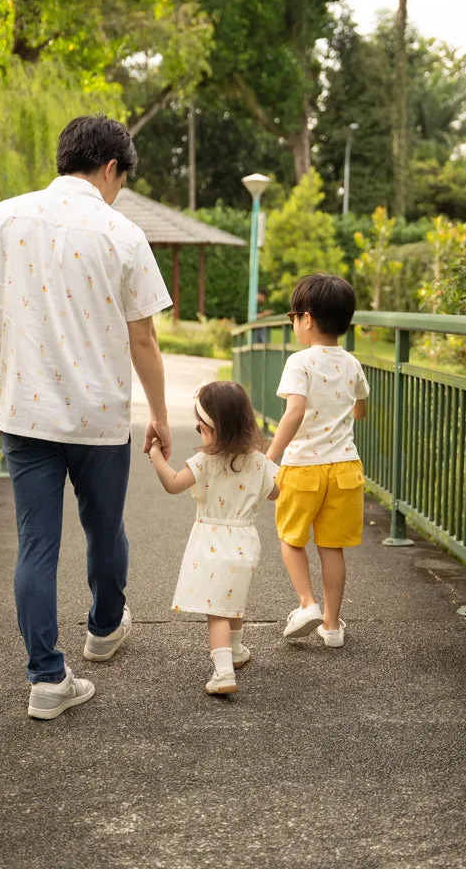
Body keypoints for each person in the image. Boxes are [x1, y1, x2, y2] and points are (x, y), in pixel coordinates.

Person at [0, 115, 172, 720]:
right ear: (111, 169)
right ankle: (104, 631)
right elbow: (145, 341)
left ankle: (47, 679)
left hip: (26, 413)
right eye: (121, 179)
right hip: (101, 416)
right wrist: (157, 413)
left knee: (36, 545)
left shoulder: (7, 215)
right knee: (105, 529)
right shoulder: (123, 233)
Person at [148, 381, 279, 696]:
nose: (199, 432)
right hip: (246, 541)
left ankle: (223, 673)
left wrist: (155, 455)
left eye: (200, 427)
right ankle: (235, 651)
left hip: (212, 542)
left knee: (216, 610)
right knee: (231, 598)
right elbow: (275, 492)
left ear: (213, 428)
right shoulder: (259, 460)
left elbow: (173, 484)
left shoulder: (205, 461)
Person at [266, 273, 368, 649]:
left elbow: (294, 412)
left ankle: (307, 604)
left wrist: (270, 459)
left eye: (293, 316)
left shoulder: (299, 361)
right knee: (331, 546)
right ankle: (332, 625)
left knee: (291, 539)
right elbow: (360, 411)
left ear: (306, 318)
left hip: (303, 467)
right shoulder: (352, 363)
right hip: (344, 468)